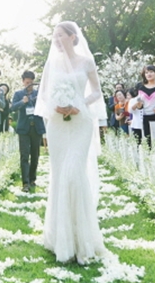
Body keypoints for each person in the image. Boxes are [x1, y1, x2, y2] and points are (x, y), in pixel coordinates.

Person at [35, 21, 107, 264]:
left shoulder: (86, 62)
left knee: (74, 174)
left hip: (80, 122)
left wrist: (80, 104)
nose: (56, 39)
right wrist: (55, 104)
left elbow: (97, 92)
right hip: (57, 122)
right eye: (54, 35)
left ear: (73, 37)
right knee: (59, 176)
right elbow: (43, 93)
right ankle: (60, 238)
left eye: (61, 35)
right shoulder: (52, 63)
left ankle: (83, 238)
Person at [11, 71, 45, 192]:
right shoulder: (18, 94)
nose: (29, 85)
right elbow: (12, 108)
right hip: (24, 128)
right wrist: (22, 102)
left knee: (35, 155)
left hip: (36, 127)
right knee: (24, 155)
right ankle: (25, 183)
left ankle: (32, 179)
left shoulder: (39, 94)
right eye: (26, 82)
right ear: (23, 82)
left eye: (31, 83)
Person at [135, 65, 155, 145]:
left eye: (151, 72)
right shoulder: (141, 88)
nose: (149, 74)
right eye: (146, 72)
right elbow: (139, 105)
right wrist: (138, 104)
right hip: (146, 117)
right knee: (149, 141)